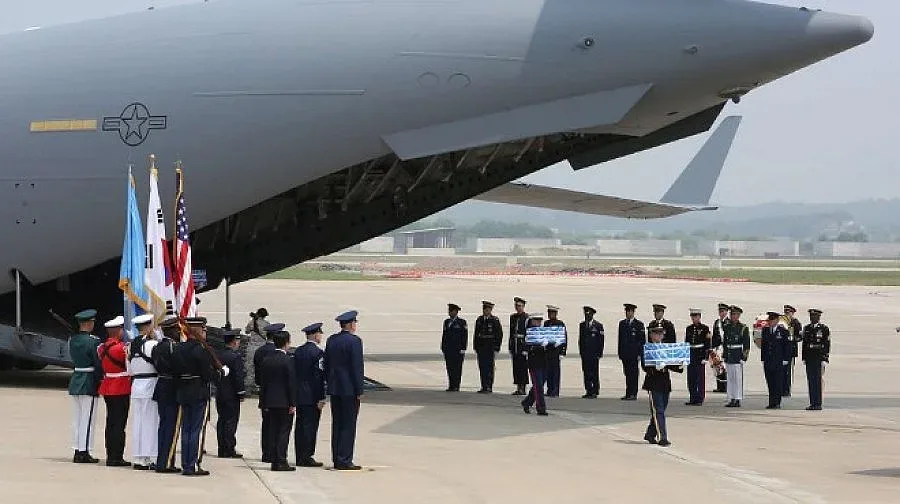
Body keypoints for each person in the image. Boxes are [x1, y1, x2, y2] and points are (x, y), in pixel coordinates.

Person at [175, 317, 230, 476]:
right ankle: (191, 465)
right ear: (198, 330)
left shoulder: (179, 348)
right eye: (204, 330)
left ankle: (186, 463)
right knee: (195, 430)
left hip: (183, 391)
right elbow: (207, 374)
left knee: (186, 429)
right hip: (198, 392)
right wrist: (220, 373)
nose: (205, 333)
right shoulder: (201, 350)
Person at [324, 310, 365, 470]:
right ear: (350, 324)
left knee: (337, 423)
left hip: (335, 388)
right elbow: (356, 367)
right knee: (348, 425)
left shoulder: (332, 340)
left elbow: (327, 364)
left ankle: (336, 457)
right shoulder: (354, 341)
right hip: (349, 389)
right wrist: (359, 389)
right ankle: (345, 459)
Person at [68, 309, 103, 464]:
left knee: (77, 419)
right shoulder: (94, 341)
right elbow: (97, 363)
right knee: (88, 419)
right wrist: (100, 380)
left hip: (76, 379)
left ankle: (77, 448)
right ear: (89, 324)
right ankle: (84, 451)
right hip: (88, 381)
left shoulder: (73, 340)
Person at [259, 328, 297, 471]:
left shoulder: (267, 360)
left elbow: (263, 383)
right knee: (283, 432)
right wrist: (293, 402)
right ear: (286, 343)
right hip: (284, 402)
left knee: (273, 430)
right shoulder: (287, 361)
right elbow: (291, 383)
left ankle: (274, 459)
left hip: (270, 401)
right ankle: (281, 460)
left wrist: (263, 402)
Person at [641, 326, 684, 447]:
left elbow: (671, 364)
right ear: (651, 335)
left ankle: (650, 433)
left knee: (661, 410)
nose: (659, 336)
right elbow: (645, 366)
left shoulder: (665, 348)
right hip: (653, 383)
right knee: (659, 411)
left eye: (661, 334)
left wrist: (680, 365)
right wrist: (655, 367)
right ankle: (662, 437)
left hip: (665, 383)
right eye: (656, 334)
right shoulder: (647, 349)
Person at [127, 313, 160, 470]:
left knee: (139, 422)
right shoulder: (152, 345)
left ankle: (139, 456)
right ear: (148, 327)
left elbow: (129, 369)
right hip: (150, 384)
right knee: (150, 422)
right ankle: (149, 456)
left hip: (136, 385)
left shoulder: (130, 345)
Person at [98, 315, 131, 467]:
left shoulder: (102, 348)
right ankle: (117, 456)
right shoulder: (121, 349)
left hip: (108, 386)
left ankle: (110, 454)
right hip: (121, 387)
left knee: (110, 422)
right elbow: (129, 367)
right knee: (119, 424)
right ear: (118, 331)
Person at [152, 315, 183, 473]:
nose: (179, 332)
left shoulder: (157, 347)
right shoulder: (174, 348)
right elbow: (178, 368)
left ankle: (161, 460)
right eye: (177, 330)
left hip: (161, 386)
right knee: (171, 427)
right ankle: (166, 462)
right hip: (172, 388)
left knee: (163, 426)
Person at [294, 323, 327, 467]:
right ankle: (307, 456)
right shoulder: (318, 353)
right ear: (315, 335)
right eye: (320, 334)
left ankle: (299, 455)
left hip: (299, 394)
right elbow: (318, 377)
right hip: (312, 395)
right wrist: (321, 397)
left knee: (300, 426)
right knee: (310, 427)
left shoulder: (298, 351)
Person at [216, 329, 246, 458]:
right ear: (234, 342)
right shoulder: (235, 357)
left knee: (222, 420)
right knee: (230, 421)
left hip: (220, 392)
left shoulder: (219, 355)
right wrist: (241, 392)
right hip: (231, 394)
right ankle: (229, 448)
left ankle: (222, 448)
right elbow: (238, 377)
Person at [253, 322, 280, 463]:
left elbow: (257, 376)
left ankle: (266, 453)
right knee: (277, 425)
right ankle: (275, 452)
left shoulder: (259, 351)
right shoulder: (277, 352)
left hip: (263, 391)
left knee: (266, 424)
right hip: (277, 393)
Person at [761, 311, 792, 409]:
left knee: (778, 382)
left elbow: (787, 346)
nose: (770, 322)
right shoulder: (765, 331)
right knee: (770, 382)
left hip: (778, 361)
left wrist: (786, 359)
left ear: (777, 320)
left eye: (772, 320)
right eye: (769, 320)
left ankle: (777, 402)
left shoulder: (783, 332)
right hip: (768, 360)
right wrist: (763, 358)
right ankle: (771, 402)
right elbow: (764, 346)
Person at [802, 309, 830, 411]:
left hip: (818, 358)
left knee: (817, 381)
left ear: (818, 317)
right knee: (811, 381)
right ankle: (812, 402)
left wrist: (825, 358)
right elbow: (804, 345)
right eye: (811, 316)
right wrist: (804, 357)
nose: (812, 318)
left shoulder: (823, 329)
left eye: (814, 316)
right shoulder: (807, 328)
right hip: (809, 359)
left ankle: (818, 403)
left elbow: (826, 344)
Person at [723, 306, 750, 408]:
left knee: (737, 379)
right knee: (730, 379)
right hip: (729, 355)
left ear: (739, 316)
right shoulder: (727, 327)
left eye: (735, 314)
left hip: (737, 355)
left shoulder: (743, 328)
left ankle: (738, 398)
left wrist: (744, 357)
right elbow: (725, 342)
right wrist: (725, 355)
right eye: (732, 314)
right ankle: (731, 398)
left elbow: (746, 345)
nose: (733, 316)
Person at [472, 301, 503, 394]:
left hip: (490, 347)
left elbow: (499, 334)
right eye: (485, 309)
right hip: (481, 347)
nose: (486, 311)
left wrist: (497, 347)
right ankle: (483, 385)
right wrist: (475, 346)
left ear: (491, 310)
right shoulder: (479, 320)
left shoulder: (495, 320)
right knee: (482, 367)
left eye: (488, 309)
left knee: (489, 367)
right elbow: (476, 334)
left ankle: (489, 386)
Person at [521, 314, 548, 416]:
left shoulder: (542, 332)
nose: (539, 323)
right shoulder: (529, 333)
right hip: (534, 363)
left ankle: (527, 402)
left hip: (543, 362)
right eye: (536, 321)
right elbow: (528, 348)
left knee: (539, 385)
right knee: (538, 387)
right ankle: (541, 408)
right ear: (532, 321)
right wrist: (540, 346)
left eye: (540, 321)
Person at [617, 303, 645, 401]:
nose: (628, 313)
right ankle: (628, 392)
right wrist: (620, 353)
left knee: (633, 374)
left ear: (633, 312)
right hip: (625, 354)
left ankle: (633, 393)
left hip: (634, 354)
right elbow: (620, 340)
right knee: (627, 373)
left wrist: (640, 354)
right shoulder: (622, 324)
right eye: (627, 311)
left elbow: (642, 341)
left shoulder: (638, 324)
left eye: (630, 311)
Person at [684, 309, 711, 406]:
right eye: (692, 317)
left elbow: (707, 344)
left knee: (700, 378)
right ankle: (692, 397)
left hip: (700, 354)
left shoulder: (704, 328)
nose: (694, 318)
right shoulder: (689, 328)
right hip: (691, 354)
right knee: (691, 377)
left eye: (696, 316)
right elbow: (686, 343)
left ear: (699, 317)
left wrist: (706, 357)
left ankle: (700, 397)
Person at [578, 306, 604, 399]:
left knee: (594, 372)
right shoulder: (582, 325)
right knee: (586, 372)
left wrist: (599, 353)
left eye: (588, 314)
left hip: (594, 353)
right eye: (585, 314)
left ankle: (595, 390)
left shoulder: (598, 326)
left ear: (592, 315)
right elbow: (580, 340)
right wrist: (581, 352)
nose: (587, 316)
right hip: (585, 353)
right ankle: (588, 390)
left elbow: (601, 341)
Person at [441, 303, 468, 392]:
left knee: (457, 368)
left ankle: (456, 385)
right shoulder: (447, 322)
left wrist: (463, 348)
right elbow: (444, 335)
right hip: (448, 349)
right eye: (449, 311)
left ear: (456, 312)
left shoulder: (461, 322)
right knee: (449, 367)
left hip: (458, 349)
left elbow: (464, 336)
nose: (449, 313)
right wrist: (443, 346)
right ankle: (451, 385)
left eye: (451, 311)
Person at [244, 307, 270, 394]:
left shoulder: (251, 322)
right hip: (262, 348)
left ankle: (248, 388)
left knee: (250, 367)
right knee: (262, 367)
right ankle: (261, 387)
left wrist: (253, 321)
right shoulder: (267, 324)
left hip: (251, 347)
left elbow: (246, 331)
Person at [543, 305, 566, 397]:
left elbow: (563, 338)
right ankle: (549, 389)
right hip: (548, 350)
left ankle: (555, 391)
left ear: (555, 314)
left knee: (555, 372)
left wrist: (562, 351)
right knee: (548, 371)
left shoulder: (560, 324)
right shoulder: (546, 323)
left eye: (552, 313)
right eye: (549, 313)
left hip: (556, 351)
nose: (550, 315)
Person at [508, 297, 530, 395]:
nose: (518, 308)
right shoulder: (513, 317)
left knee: (523, 367)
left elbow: (528, 333)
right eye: (517, 306)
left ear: (523, 307)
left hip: (522, 345)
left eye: (520, 306)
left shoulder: (527, 318)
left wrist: (526, 348)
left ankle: (523, 387)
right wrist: (510, 345)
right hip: (515, 345)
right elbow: (511, 332)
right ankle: (518, 386)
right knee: (516, 367)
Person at [783, 305, 803, 397]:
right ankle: (781, 388)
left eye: (789, 312)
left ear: (792, 313)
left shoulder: (795, 323)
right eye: (786, 312)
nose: (787, 314)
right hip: (782, 350)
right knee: (781, 371)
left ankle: (787, 389)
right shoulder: (782, 321)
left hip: (791, 350)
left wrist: (792, 338)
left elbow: (800, 337)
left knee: (788, 371)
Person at [710, 303, 730, 393]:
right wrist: (712, 348)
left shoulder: (728, 322)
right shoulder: (717, 322)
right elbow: (714, 336)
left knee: (724, 366)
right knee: (717, 365)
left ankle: (725, 386)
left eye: (723, 311)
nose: (721, 313)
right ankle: (719, 386)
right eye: (720, 311)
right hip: (717, 347)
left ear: (726, 312)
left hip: (725, 347)